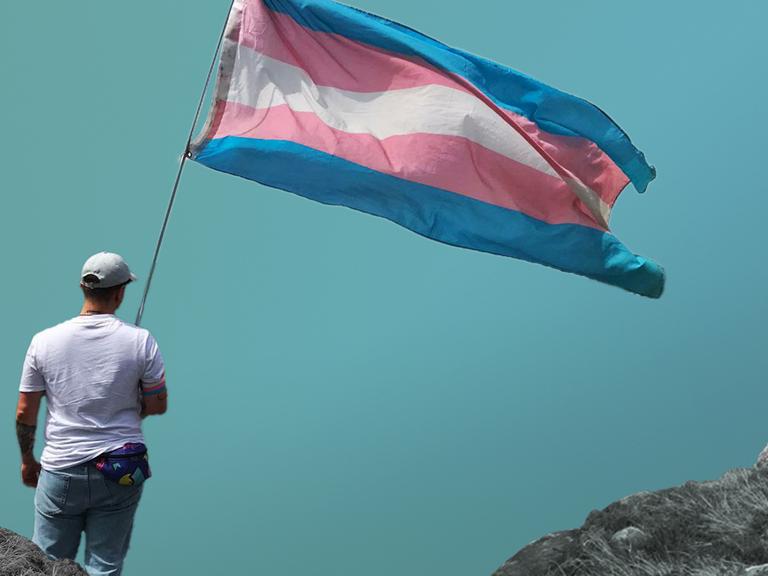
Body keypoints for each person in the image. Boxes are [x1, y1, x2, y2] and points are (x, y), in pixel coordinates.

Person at [15, 252, 168, 576]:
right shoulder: (141, 342)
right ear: (121, 291)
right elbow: (158, 404)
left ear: (83, 288)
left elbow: (25, 410)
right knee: (105, 565)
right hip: (120, 468)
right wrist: (135, 399)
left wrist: (28, 460)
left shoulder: (43, 342)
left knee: (45, 562)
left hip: (61, 469)